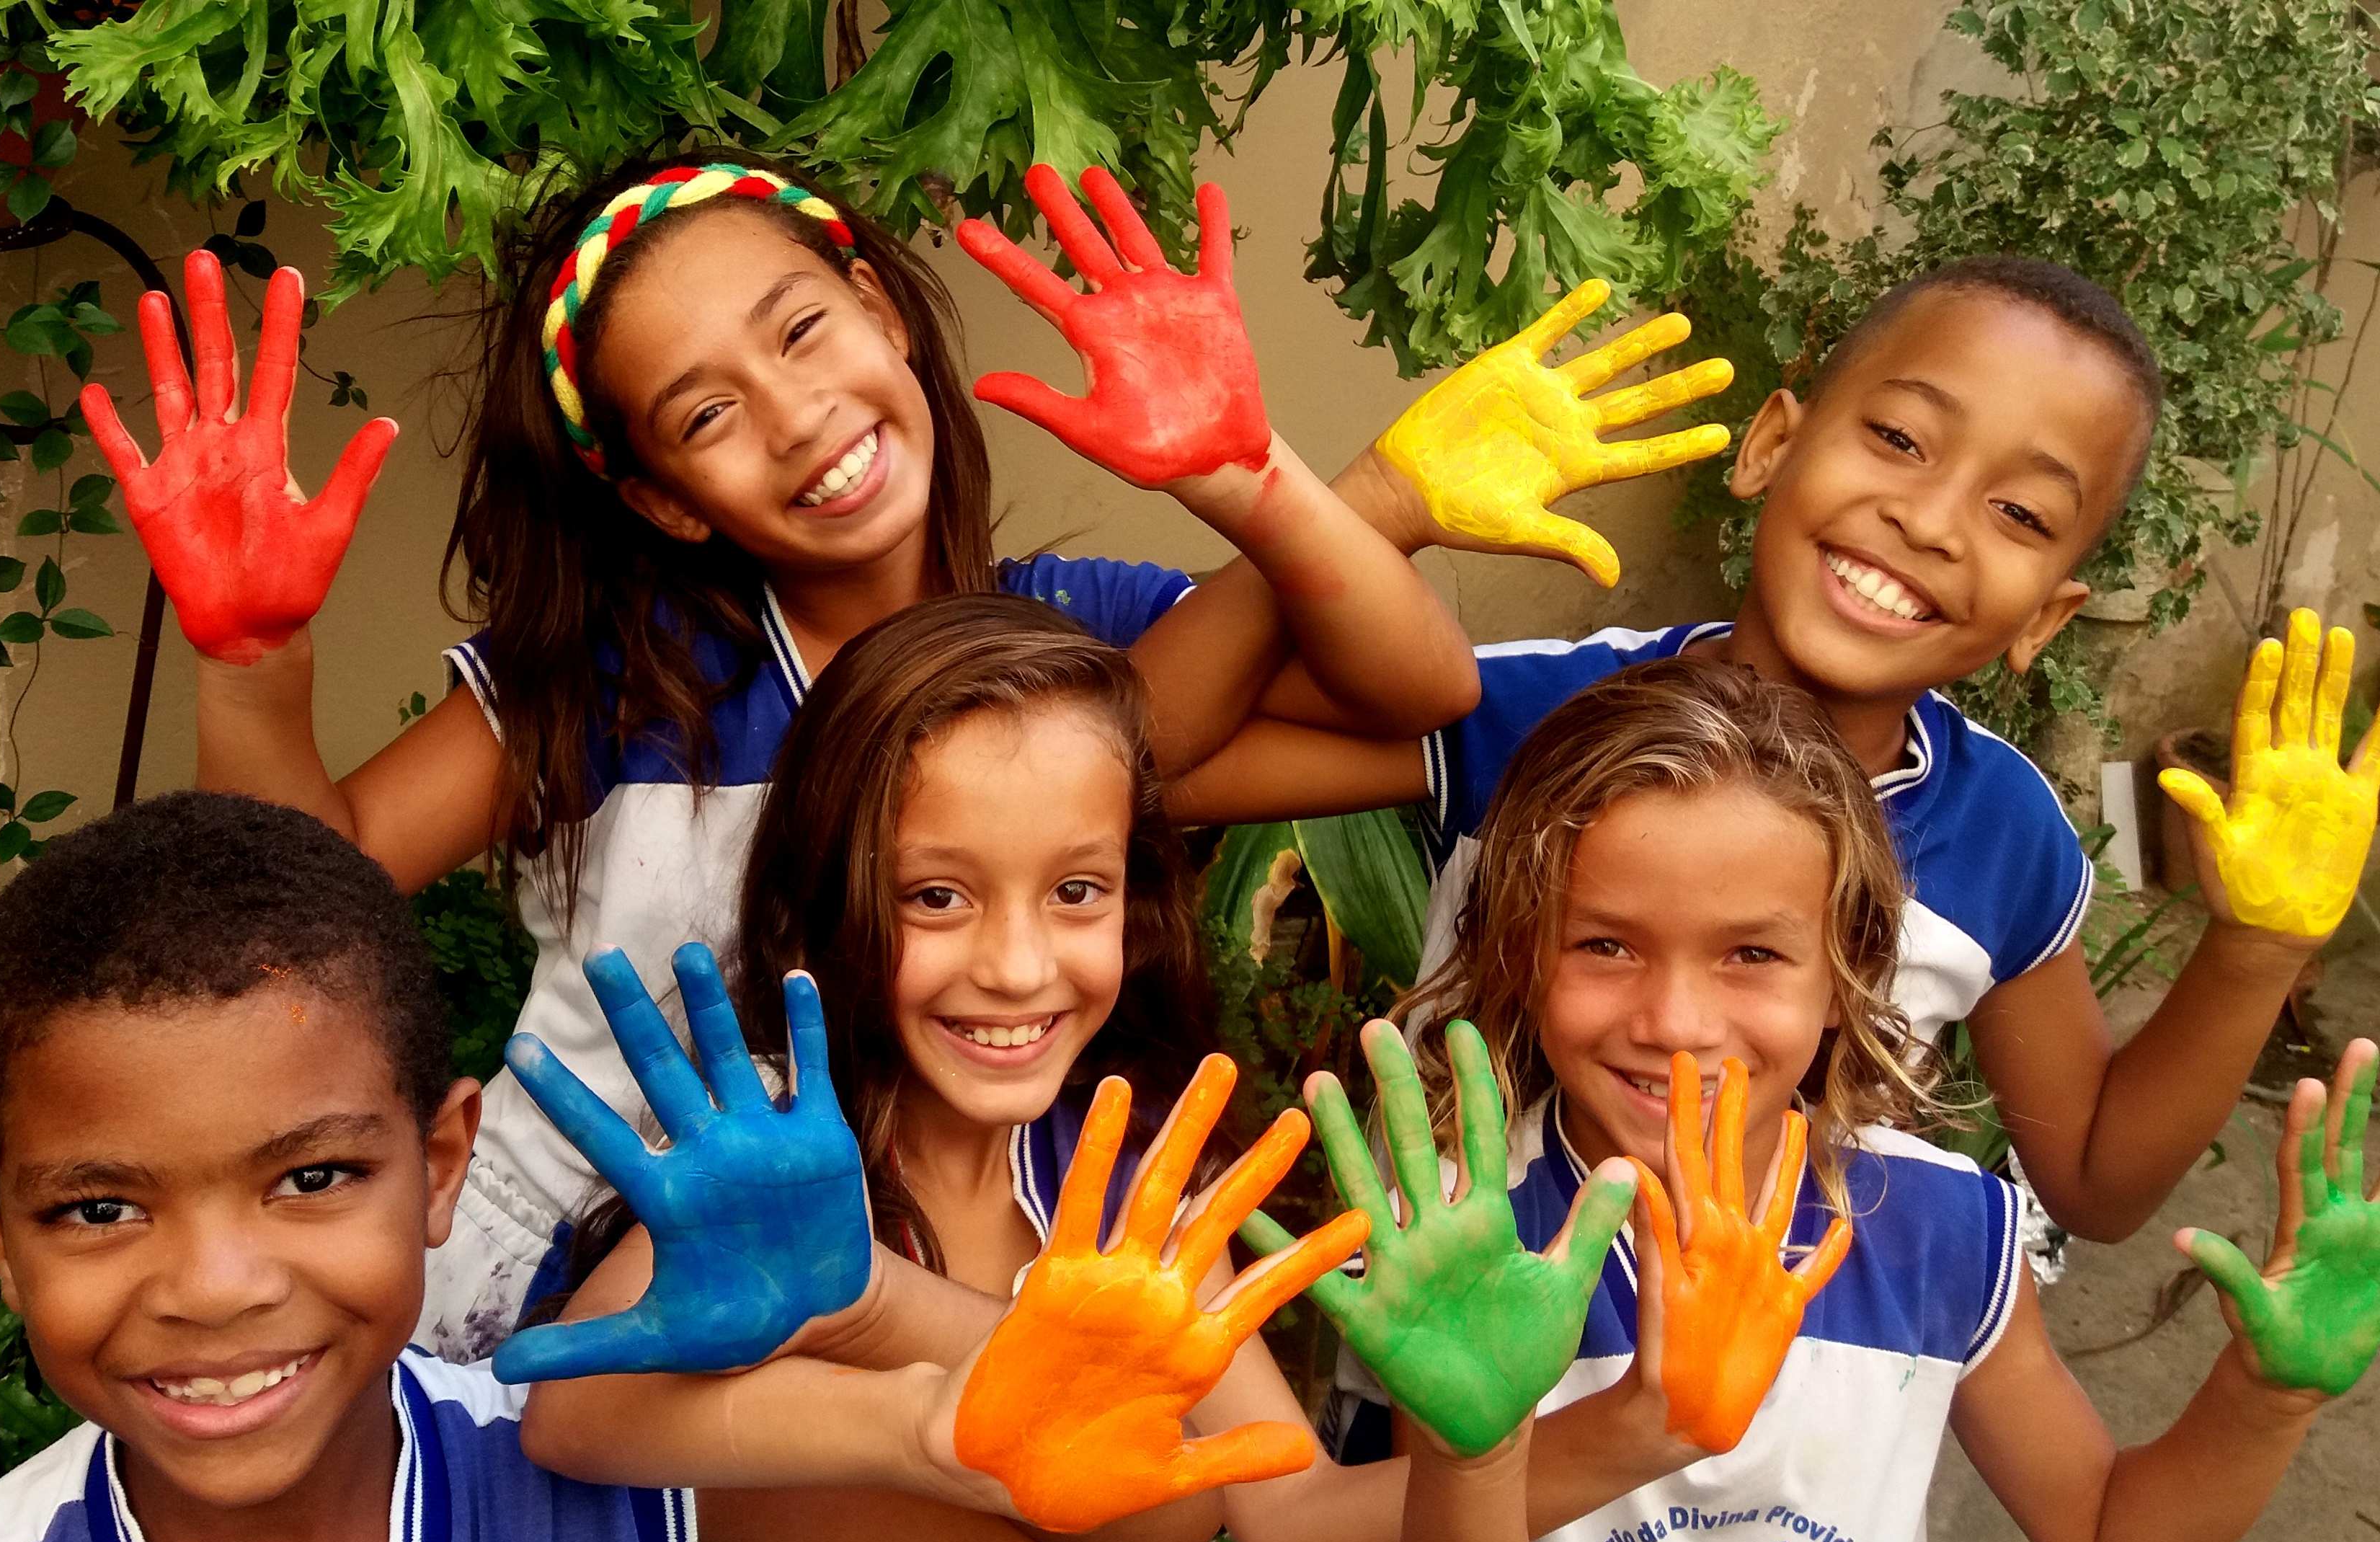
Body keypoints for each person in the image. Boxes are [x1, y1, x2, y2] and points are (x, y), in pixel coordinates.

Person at [81, 151, 1496, 1358]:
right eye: (706, 413)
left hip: (892, 1278)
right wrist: (255, 665)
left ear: (878, 305)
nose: (796, 412)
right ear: (662, 498)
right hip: (560, 1286)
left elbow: (1418, 692)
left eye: (802, 330)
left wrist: (1254, 478)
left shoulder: (1082, 654)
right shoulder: (621, 677)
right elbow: (295, 910)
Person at [0, 792, 1241, 1542]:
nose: (217, 1288)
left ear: (440, 1165)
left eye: (311, 1182)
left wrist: (894, 1340)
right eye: (101, 1209)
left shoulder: (602, 1490)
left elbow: (1134, 1527)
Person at [1184, 254, 2380, 1247]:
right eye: (1900, 440)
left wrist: (2259, 948)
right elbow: (1159, 763)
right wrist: (1368, 507)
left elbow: (2092, 1177)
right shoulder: (1554, 720)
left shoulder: (2000, 831)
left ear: (2046, 614)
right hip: (1442, 1423)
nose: (1927, 520)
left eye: (2020, 513)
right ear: (1772, 442)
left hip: (1779, 1456)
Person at [1277, 658, 2380, 1542]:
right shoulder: (1482, 1251)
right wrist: (1484, 1464)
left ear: (1850, 972)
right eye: (1605, 943)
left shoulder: (1941, 1229)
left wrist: (2265, 1398)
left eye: (1753, 954)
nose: (1677, 1019)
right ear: (1521, 955)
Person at [512, 596, 1493, 1542]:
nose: (1020, 965)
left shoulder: (1137, 1168)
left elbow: (1289, 1531)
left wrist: (1625, 1426)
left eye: (1078, 890)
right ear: (827, 898)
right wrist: (889, 1347)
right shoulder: (773, 1173)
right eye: (937, 896)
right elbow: (576, 1418)